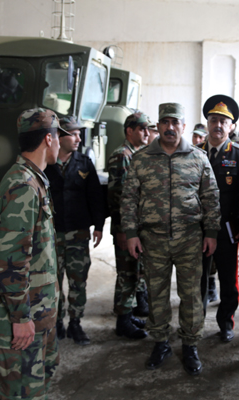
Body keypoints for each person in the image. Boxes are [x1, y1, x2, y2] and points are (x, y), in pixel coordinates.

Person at [121, 103, 221, 376]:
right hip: (152, 239)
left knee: (190, 295)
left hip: (190, 238)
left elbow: (211, 198)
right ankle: (161, 342)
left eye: (175, 122)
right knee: (157, 294)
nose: (169, 127)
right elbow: (128, 199)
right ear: (158, 126)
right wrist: (131, 234)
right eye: (164, 122)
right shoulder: (141, 159)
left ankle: (190, 344)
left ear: (183, 126)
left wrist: (211, 232)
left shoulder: (198, 158)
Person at [0, 108, 61, 399]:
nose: (60, 143)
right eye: (58, 137)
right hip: (24, 315)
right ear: (47, 138)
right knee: (23, 393)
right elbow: (9, 260)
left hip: (39, 311)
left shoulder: (34, 180)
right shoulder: (23, 186)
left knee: (40, 382)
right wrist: (20, 318)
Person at [44, 116, 107, 346]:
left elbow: (95, 197)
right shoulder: (45, 164)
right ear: (60, 136)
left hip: (78, 233)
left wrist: (98, 226)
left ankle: (75, 323)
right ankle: (57, 322)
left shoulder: (84, 163)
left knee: (78, 280)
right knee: (53, 281)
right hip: (51, 234)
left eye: (80, 133)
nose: (79, 138)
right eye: (74, 133)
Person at [198, 95, 239, 342]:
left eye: (223, 121)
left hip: (227, 229)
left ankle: (226, 322)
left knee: (228, 280)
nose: (218, 125)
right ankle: (194, 320)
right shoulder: (194, 153)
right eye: (213, 120)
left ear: (231, 126)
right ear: (207, 123)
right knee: (196, 278)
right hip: (196, 229)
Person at [107, 112, 154, 340]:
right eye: (143, 128)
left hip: (137, 226)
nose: (147, 133)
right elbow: (118, 197)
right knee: (126, 274)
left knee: (136, 272)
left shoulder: (137, 154)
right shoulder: (121, 156)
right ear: (130, 131)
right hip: (126, 227)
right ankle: (123, 321)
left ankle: (129, 312)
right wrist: (124, 230)